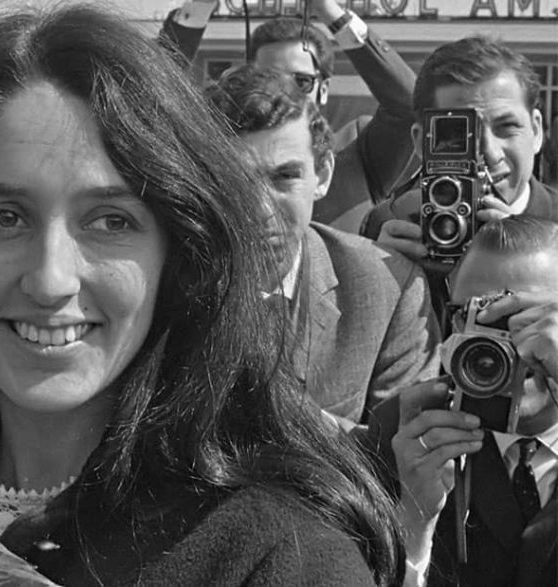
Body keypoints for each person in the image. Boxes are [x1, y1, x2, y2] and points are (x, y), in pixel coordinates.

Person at [0, 5, 404, 585]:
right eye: (3, 216)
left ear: (179, 255)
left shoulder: (281, 552)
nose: (50, 280)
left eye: (110, 221)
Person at [207, 64, 439, 427]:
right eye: (234, 182)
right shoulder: (167, 281)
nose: (259, 209)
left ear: (324, 174)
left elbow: (405, 456)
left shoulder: (389, 286)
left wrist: (300, 425)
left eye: (285, 177)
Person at [363, 215, 558, 586]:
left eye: (524, 318)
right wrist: (414, 528)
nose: (503, 343)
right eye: (475, 316)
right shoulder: (404, 432)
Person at [161, 0, 417, 233]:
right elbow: (142, 100)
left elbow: (409, 105)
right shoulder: (216, 145)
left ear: (324, 89)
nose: (286, 90)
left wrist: (329, 10)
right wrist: (200, 7)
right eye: (270, 77)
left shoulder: (357, 147)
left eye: (302, 81)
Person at [361, 36, 558, 326]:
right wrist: (375, 281)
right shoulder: (391, 223)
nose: (488, 152)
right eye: (458, 134)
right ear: (421, 142)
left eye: (506, 127)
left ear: (537, 130)